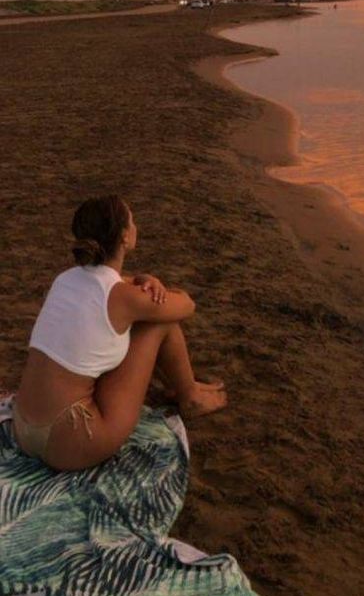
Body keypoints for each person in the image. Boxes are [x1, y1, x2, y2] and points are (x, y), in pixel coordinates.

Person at [12, 194, 226, 471]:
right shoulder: (124, 298)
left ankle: (188, 387)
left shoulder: (65, 279)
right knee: (160, 321)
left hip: (23, 428)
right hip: (73, 440)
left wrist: (147, 280)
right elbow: (187, 305)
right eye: (132, 221)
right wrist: (156, 287)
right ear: (125, 236)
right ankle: (190, 396)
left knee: (143, 316)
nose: (136, 226)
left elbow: (117, 286)